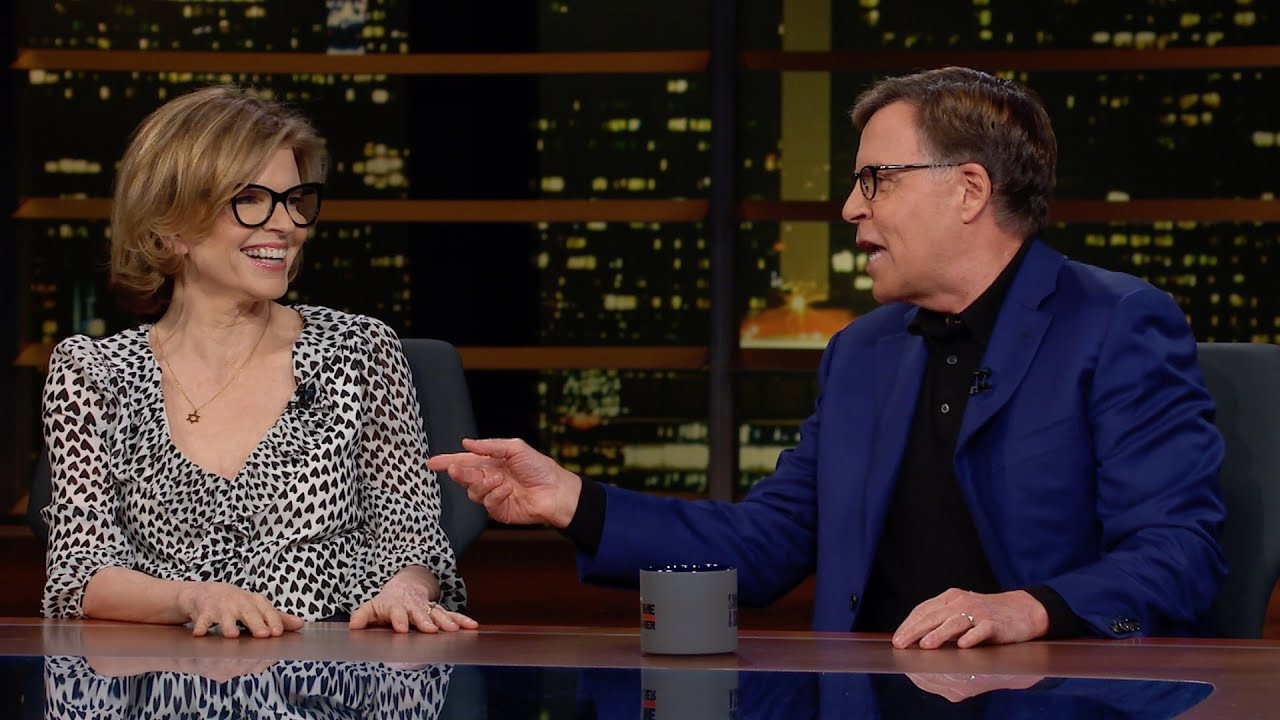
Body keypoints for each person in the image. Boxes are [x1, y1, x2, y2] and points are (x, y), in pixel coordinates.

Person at [429, 67, 1227, 647]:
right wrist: (571, 501)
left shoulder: (1115, 324)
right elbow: (765, 545)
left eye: (875, 180)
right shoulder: (862, 352)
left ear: (969, 190)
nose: (850, 208)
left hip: (1056, 698)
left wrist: (1029, 608)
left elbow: (1180, 552)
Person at [41, 86, 476, 638]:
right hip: (171, 670)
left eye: (295, 200)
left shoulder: (359, 351)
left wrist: (405, 591)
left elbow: (412, 543)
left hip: (333, 670)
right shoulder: (93, 372)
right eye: (250, 199)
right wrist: (194, 596)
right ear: (171, 226)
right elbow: (79, 573)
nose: (287, 224)